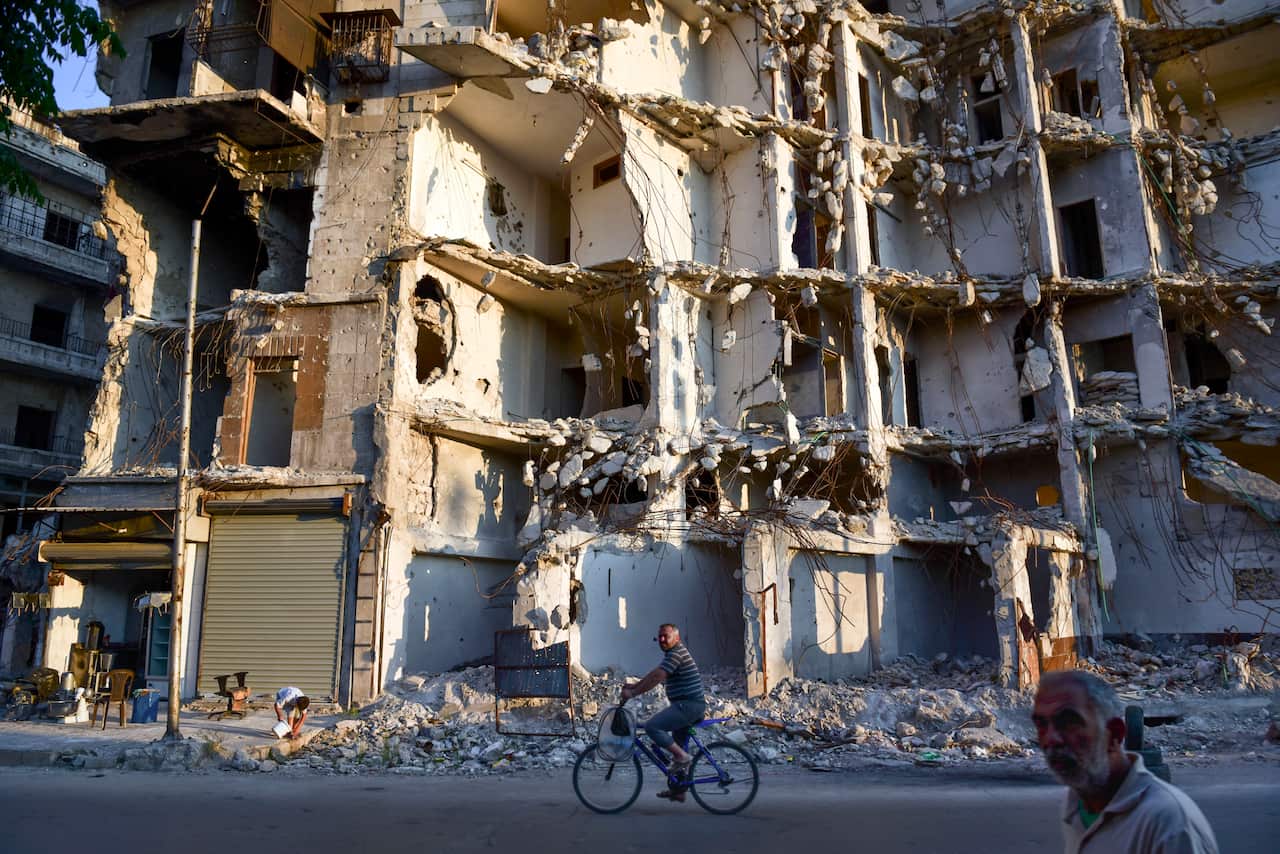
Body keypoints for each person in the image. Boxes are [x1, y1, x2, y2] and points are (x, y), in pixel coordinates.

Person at [1032, 670, 1218, 853]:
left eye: (1069, 722)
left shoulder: (1168, 823)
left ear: (1114, 733)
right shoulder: (1075, 803)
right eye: (1041, 724)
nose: (1051, 739)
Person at [620, 623, 705, 804]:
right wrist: (634, 686)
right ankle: (679, 790)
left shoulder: (677, 653)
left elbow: (658, 676)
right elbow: (654, 675)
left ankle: (682, 757)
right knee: (677, 746)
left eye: (666, 636)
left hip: (688, 706)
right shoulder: (671, 655)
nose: (662, 640)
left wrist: (633, 693)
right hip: (684, 706)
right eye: (660, 637)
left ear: (677, 638)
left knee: (652, 727)